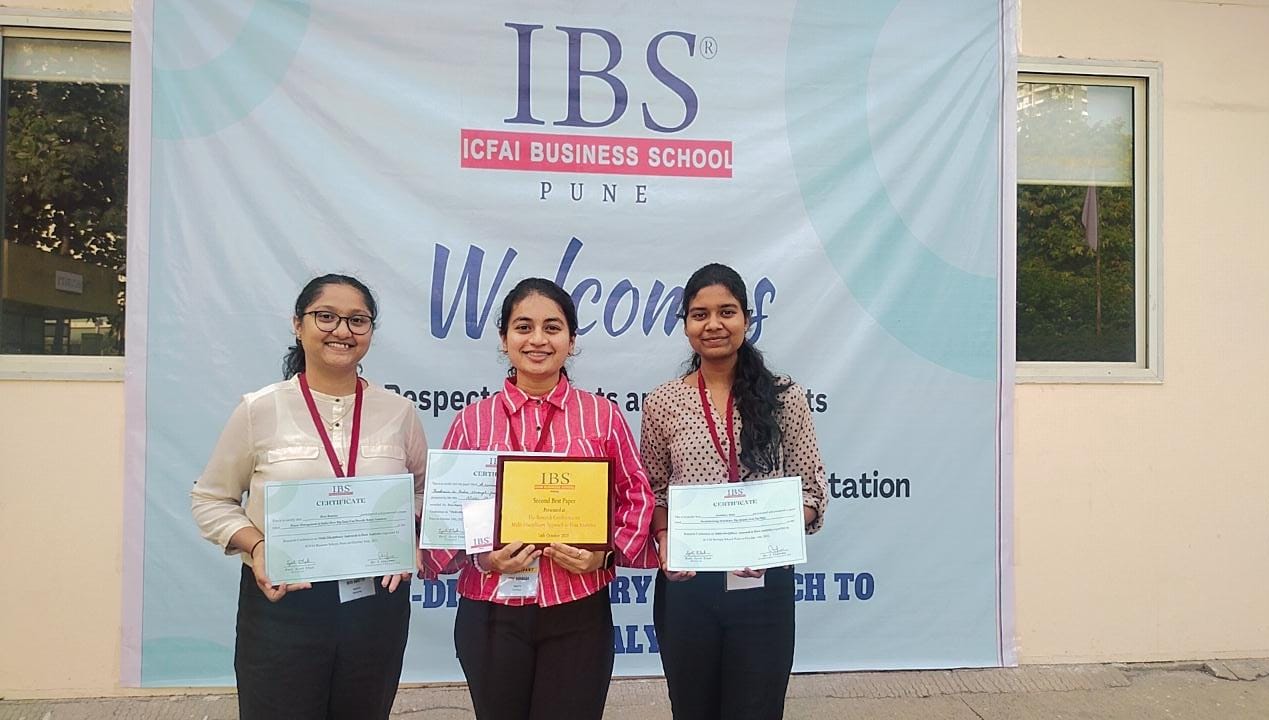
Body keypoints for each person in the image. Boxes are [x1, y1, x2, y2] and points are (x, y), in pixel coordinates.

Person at [191, 273, 426, 720]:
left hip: (375, 606)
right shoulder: (259, 409)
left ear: (371, 332)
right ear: (298, 325)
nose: (342, 330)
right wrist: (258, 547)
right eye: (326, 317)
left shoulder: (399, 412)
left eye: (358, 320)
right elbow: (211, 499)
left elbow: (420, 491)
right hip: (284, 605)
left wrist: (405, 532)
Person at [420, 277, 656, 720]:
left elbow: (637, 497)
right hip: (491, 610)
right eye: (523, 326)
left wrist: (603, 556)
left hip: (577, 608)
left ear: (571, 340)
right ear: (504, 338)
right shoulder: (472, 422)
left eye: (552, 327)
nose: (538, 339)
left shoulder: (602, 416)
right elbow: (446, 512)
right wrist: (482, 558)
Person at [641, 262, 827, 720]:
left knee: (757, 709)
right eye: (699, 314)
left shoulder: (785, 396)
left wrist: (769, 536)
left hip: (763, 583)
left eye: (727, 311)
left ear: (747, 318)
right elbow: (655, 491)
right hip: (688, 587)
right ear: (685, 325)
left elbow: (812, 494)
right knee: (692, 708)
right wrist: (665, 540)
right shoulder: (663, 401)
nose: (714, 324)